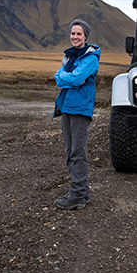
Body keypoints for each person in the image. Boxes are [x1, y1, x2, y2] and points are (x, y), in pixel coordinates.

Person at [53, 19, 101, 210]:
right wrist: (69, 79)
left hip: (80, 109)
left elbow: (77, 78)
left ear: (85, 36)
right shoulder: (68, 57)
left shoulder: (90, 58)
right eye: (73, 33)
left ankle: (78, 195)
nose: (75, 37)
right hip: (66, 108)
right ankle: (81, 192)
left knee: (77, 152)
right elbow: (59, 79)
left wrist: (69, 78)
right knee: (69, 151)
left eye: (79, 34)